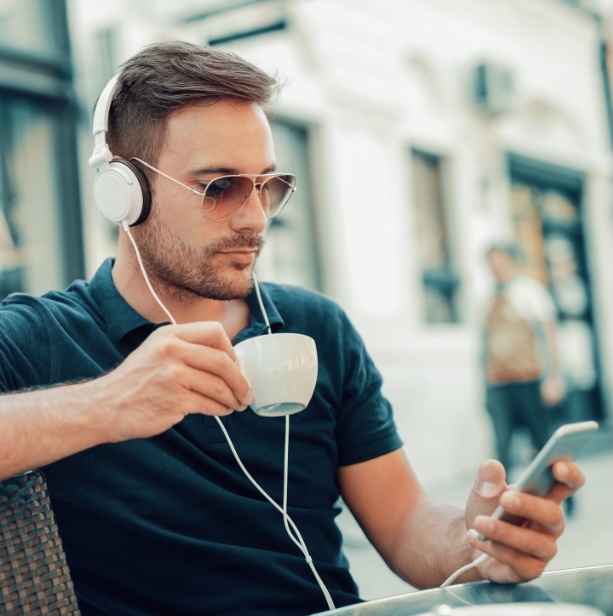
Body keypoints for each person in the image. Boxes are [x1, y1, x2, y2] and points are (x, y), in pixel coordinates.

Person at [0, 42, 583, 616]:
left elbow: (405, 523)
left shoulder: (316, 328)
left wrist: (478, 546)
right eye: (219, 187)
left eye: (267, 186)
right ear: (124, 193)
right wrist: (108, 403)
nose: (255, 219)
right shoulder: (42, 338)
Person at [482, 243, 566, 474]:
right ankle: (502, 501)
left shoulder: (531, 292)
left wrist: (554, 377)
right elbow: (484, 346)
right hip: (498, 383)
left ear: (510, 261)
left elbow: (549, 335)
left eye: (500, 262)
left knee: (541, 440)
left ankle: (560, 491)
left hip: (529, 379)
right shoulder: (486, 299)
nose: (496, 268)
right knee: (502, 447)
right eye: (492, 264)